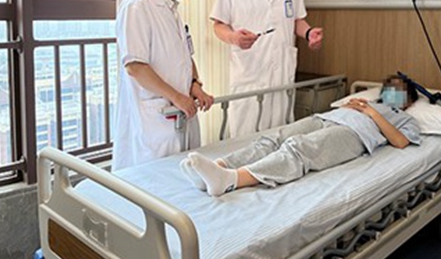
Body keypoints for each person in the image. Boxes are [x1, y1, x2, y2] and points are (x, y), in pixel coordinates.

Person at [180, 77, 421, 196]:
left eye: (398, 90)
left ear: (408, 100)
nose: (391, 92)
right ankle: (218, 167)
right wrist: (351, 106)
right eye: (389, 88)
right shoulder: (366, 100)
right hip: (328, 118)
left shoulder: (404, 117)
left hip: (355, 134)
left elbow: (400, 142)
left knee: (299, 148)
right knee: (275, 138)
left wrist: (371, 113)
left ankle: (231, 179)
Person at [210, 0, 323, 138]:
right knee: (245, 138)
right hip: (249, 71)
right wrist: (234, 38)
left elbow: (296, 20)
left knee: (280, 135)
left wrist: (309, 33)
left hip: (281, 71)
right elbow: (218, 24)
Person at [112, 0, 214, 170]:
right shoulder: (136, 7)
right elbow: (135, 67)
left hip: (178, 112)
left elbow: (186, 57)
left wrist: (195, 86)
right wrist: (177, 97)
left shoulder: (171, 10)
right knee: (152, 180)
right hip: (154, 120)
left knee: (183, 175)